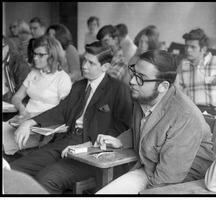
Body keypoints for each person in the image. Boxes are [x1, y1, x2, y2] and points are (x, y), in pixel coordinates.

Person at [10, 42, 133, 194]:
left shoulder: (119, 89)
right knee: (12, 170)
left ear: (105, 67)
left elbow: (122, 129)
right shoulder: (79, 86)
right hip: (66, 141)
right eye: (84, 60)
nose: (84, 66)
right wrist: (30, 122)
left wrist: (88, 146)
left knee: (46, 178)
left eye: (91, 63)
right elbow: (61, 110)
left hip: (92, 151)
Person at [96, 50, 213, 194]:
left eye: (141, 78)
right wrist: (120, 141)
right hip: (151, 168)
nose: (132, 81)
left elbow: (168, 178)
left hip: (183, 182)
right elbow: (142, 131)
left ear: (163, 86)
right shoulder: (144, 96)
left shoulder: (185, 116)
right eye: (134, 73)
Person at [3, 35, 72, 156]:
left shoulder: (62, 78)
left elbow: (64, 110)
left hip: (43, 129)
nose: (35, 58)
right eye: (34, 54)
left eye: (40, 55)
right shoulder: (33, 73)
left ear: (52, 55)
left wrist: (35, 118)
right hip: (24, 120)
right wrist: (21, 108)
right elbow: (16, 97)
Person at [175, 28, 216, 115]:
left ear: (203, 49)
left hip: (215, 112)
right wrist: (177, 72)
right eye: (186, 46)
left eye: (193, 47)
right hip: (192, 113)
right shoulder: (183, 65)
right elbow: (177, 95)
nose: (188, 50)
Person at [2, 36, 31, 103]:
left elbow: (24, 96)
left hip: (11, 107)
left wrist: (10, 97)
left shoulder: (19, 65)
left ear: (7, 47)